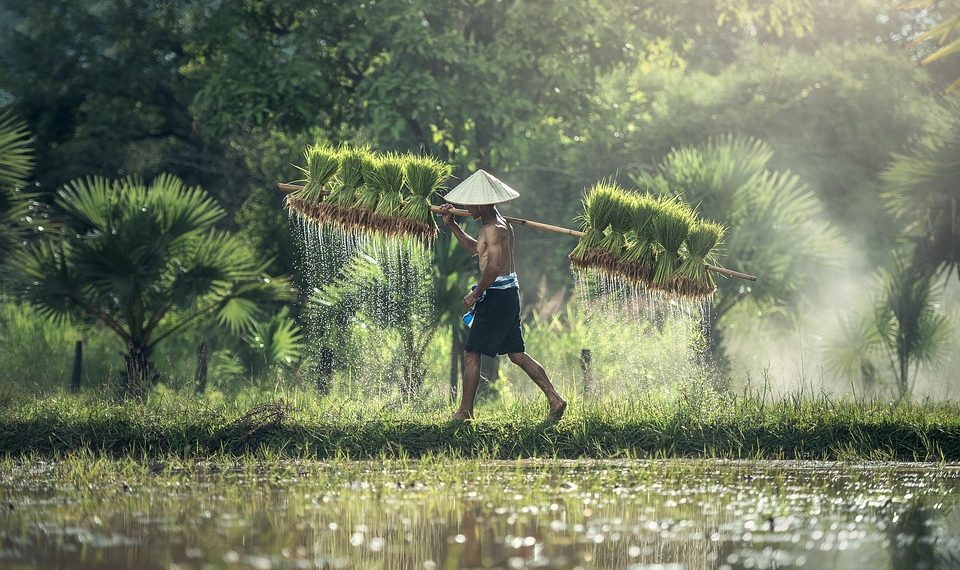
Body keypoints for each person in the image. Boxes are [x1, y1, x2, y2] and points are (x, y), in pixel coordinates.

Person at [437, 170, 566, 421]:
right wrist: (452, 224)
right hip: (507, 294)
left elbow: (494, 268)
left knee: (471, 352)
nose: (467, 207)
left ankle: (465, 411)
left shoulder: (496, 228)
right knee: (516, 354)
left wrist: (476, 293)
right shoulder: (493, 225)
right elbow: (477, 249)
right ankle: (555, 399)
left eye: (470, 203)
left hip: (497, 295)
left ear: (482, 203)